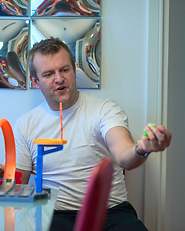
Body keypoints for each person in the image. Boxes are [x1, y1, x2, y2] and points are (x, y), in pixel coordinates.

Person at [14, 37, 172, 231]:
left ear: (73, 70)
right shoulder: (25, 124)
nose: (59, 79)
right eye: (48, 74)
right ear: (35, 81)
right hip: (55, 214)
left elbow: (125, 157)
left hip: (111, 213)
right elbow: (17, 184)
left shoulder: (105, 109)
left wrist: (141, 149)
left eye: (64, 69)